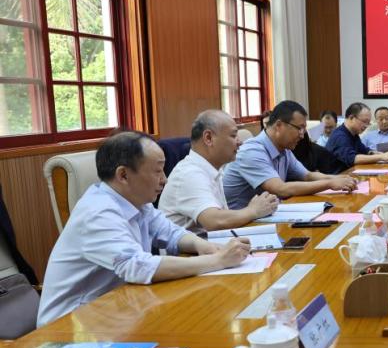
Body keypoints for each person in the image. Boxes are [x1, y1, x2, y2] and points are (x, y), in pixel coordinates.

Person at [37, 131, 253, 327]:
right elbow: (137, 266)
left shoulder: (136, 200)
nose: (164, 179)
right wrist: (218, 261)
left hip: (117, 309)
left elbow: (171, 233)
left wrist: (204, 246)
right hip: (71, 327)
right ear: (123, 175)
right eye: (157, 171)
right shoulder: (97, 213)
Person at [223, 100, 357, 208]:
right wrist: (330, 184)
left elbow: (307, 176)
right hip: (241, 225)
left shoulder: (284, 148)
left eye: (304, 129)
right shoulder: (252, 151)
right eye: (299, 128)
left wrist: (338, 179)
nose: (302, 135)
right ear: (279, 125)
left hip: (266, 215)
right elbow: (281, 189)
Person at [160, 110, 278, 232]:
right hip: (194, 244)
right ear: (208, 138)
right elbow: (215, 221)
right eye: (233, 136)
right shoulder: (189, 174)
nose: (239, 142)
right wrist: (253, 211)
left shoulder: (212, 169)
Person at [326, 103, 388, 170]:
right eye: (364, 122)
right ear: (351, 118)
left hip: (349, 172)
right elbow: (353, 159)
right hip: (338, 176)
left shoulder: (354, 134)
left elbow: (365, 151)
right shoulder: (340, 136)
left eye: (368, 123)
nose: (366, 126)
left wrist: (380, 154)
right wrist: (381, 157)